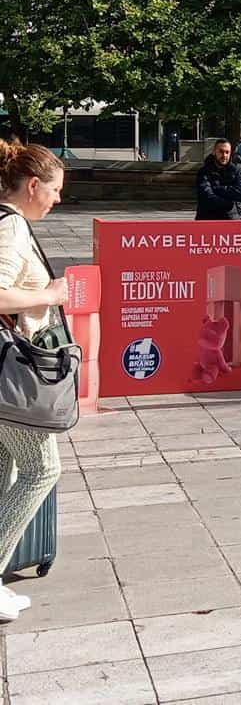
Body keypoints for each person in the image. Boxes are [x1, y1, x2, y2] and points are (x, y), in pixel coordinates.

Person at [0, 140, 68, 622]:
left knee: (5, 465)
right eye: (56, 190)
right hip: (10, 372)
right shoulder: (11, 227)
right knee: (43, 469)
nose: (58, 199)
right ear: (33, 185)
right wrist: (50, 291)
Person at [195, 139, 241, 220]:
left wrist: (216, 188)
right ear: (214, 152)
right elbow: (206, 197)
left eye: (227, 152)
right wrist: (229, 202)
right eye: (221, 151)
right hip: (208, 220)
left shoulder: (236, 171)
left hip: (232, 219)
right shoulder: (204, 171)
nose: (224, 155)